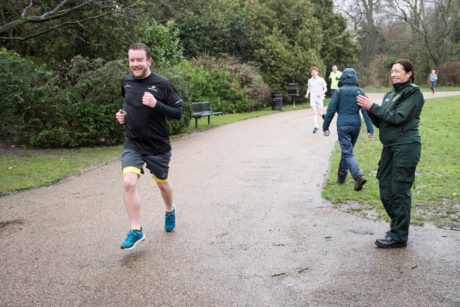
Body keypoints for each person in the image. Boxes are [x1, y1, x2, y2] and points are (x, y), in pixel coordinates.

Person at [115, 42, 183, 250]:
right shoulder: (126, 81)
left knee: (162, 184)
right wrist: (122, 116)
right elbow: (129, 104)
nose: (135, 64)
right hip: (133, 143)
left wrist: (157, 105)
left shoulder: (162, 84)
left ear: (149, 60)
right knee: (128, 183)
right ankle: (136, 230)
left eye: (139, 60)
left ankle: (170, 209)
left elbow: (179, 112)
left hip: (157, 146)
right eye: (131, 60)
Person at [357, 59, 425, 248]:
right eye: (392, 71)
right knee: (385, 188)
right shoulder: (389, 95)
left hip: (406, 147)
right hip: (389, 148)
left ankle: (399, 235)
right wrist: (368, 109)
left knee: (399, 191)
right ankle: (398, 226)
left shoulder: (414, 94)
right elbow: (383, 122)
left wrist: (373, 106)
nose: (393, 74)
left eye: (397, 71)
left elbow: (398, 117)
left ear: (409, 73)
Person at [323, 68, 374, 191]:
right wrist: (370, 128)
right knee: (347, 152)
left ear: (343, 78)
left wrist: (325, 126)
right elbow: (365, 111)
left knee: (347, 152)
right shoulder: (359, 91)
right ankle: (341, 178)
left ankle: (358, 176)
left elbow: (330, 111)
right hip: (356, 126)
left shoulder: (339, 91)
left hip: (343, 126)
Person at [305, 67, 327, 133]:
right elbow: (309, 88)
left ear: (317, 72)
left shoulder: (321, 79)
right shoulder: (309, 80)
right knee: (314, 112)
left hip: (319, 98)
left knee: (320, 113)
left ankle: (325, 120)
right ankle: (316, 127)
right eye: (312, 72)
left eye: (314, 71)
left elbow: (325, 88)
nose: (313, 73)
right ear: (311, 73)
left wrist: (321, 93)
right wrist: (307, 94)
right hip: (313, 97)